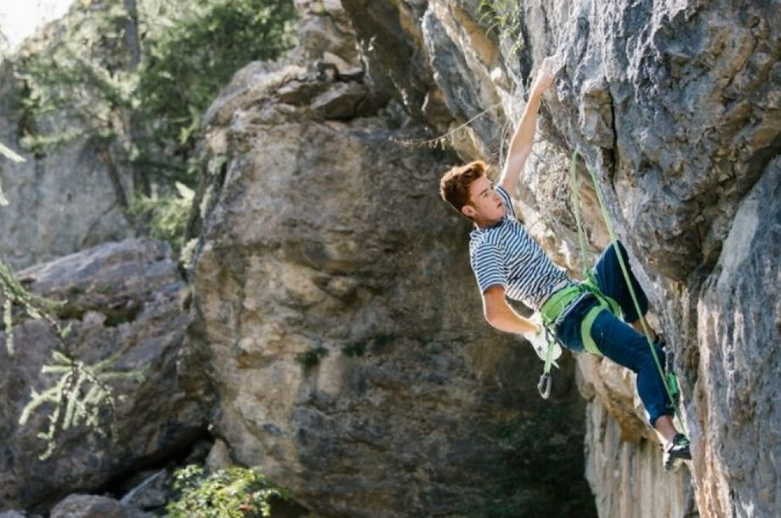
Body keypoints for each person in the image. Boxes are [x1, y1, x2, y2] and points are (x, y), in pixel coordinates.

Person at [438, 56, 691, 471]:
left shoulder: (503, 211)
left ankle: (637, 325)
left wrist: (537, 90)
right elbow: (494, 312)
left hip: (582, 294)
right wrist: (533, 330)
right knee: (647, 356)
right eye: (484, 195)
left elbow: (518, 151)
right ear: (469, 211)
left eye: (490, 188)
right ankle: (669, 438)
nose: (495, 195)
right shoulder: (484, 249)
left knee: (623, 253)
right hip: (571, 319)